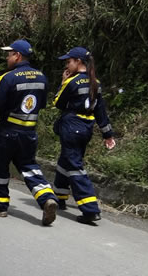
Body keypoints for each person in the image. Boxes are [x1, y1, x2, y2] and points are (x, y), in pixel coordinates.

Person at [0, 39, 59, 226]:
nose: (7, 58)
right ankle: (46, 197)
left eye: (9, 54)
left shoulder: (8, 78)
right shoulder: (42, 77)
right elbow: (41, 104)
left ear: (17, 56)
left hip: (8, 131)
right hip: (29, 132)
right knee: (29, 166)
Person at [52, 46, 116, 225]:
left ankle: (90, 210)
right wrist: (107, 134)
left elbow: (58, 102)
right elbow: (100, 111)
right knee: (67, 159)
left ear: (78, 62)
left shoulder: (72, 82)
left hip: (72, 127)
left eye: (68, 62)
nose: (66, 65)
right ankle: (59, 196)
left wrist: (63, 82)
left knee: (74, 165)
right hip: (86, 128)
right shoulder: (95, 82)